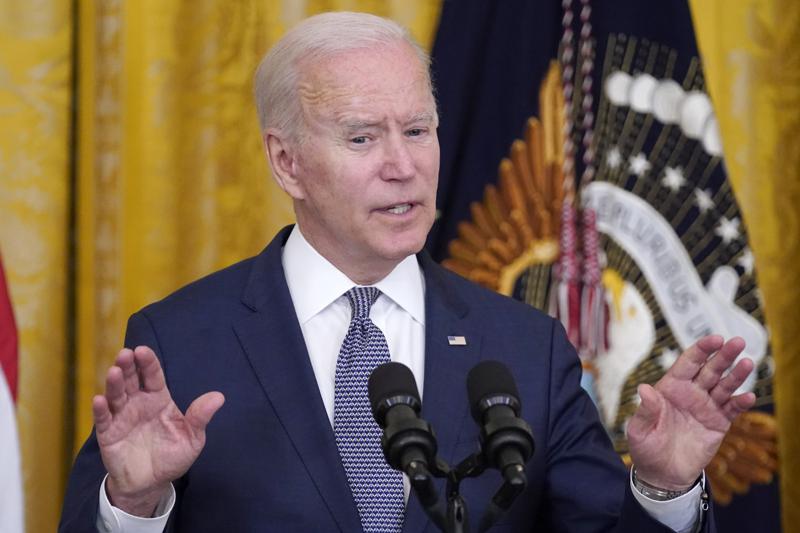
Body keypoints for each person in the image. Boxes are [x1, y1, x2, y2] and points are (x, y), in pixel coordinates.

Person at [59, 11, 755, 533]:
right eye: (363, 137)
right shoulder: (181, 341)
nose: (404, 164)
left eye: (418, 130)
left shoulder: (524, 349)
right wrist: (134, 505)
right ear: (286, 162)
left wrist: (664, 487)